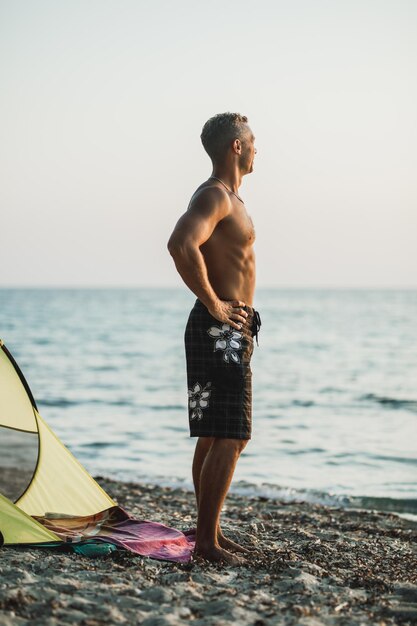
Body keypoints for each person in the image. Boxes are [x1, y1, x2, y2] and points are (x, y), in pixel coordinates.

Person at [167, 112, 261, 565]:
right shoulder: (214, 196)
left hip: (225, 329)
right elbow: (181, 243)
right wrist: (216, 305)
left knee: (214, 432)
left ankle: (211, 531)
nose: (259, 149)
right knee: (230, 434)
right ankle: (206, 543)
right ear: (236, 148)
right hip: (218, 328)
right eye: (253, 141)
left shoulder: (228, 198)